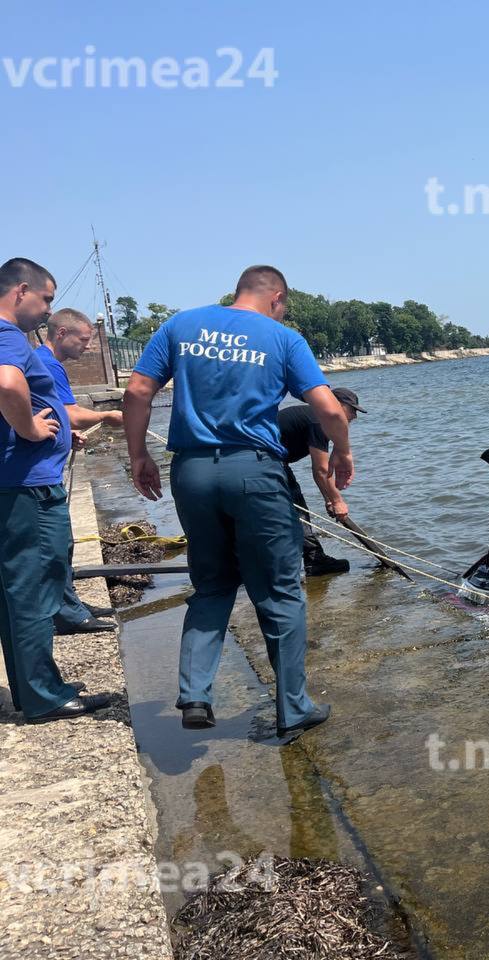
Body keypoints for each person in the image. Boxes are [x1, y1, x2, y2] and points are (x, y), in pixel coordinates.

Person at [123, 265, 354, 739]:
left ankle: (193, 695)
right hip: (253, 471)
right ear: (277, 297)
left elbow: (137, 391)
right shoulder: (282, 337)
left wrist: (138, 455)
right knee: (280, 589)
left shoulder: (180, 325)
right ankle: (293, 707)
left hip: (190, 470)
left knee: (211, 585)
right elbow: (328, 408)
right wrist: (344, 453)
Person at [0, 258, 111, 722]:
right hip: (25, 486)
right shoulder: (7, 335)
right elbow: (7, 384)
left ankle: (33, 688)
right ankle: (44, 695)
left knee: (16, 590)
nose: (48, 309)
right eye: (45, 299)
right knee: (33, 588)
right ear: (21, 290)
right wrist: (27, 428)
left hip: (16, 484)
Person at [36, 307, 121, 633]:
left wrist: (64, 435)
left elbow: (51, 412)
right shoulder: (48, 364)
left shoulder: (46, 363)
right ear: (61, 334)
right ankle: (67, 613)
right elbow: (69, 412)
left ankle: (69, 602)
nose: (87, 347)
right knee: (54, 543)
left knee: (62, 541)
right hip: (39, 476)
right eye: (83, 340)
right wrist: (105, 417)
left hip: (48, 467)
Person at [277, 386, 364, 576]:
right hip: (268, 463)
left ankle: (312, 558)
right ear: (338, 405)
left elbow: (320, 471)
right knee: (297, 510)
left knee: (290, 511)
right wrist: (338, 501)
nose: (354, 417)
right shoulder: (318, 422)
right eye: (353, 410)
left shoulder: (316, 418)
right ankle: (315, 560)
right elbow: (321, 471)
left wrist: (329, 499)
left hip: (266, 461)